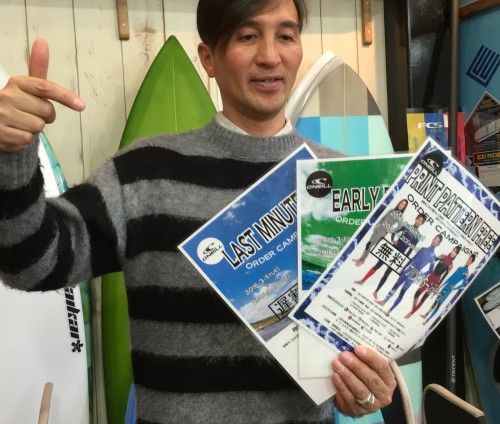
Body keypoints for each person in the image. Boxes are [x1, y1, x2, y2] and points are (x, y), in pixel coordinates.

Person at [0, 0, 396, 422]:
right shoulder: (145, 175)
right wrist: (12, 154)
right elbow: (32, 264)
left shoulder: (342, 184)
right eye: (248, 36)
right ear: (208, 58)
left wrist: (364, 390)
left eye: (286, 35)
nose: (270, 56)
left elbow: (362, 346)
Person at [375, 234, 443, 316]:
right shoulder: (423, 249)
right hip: (407, 270)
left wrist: (420, 274)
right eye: (435, 239)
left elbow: (430, 270)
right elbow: (413, 259)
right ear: (433, 239)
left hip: (413, 275)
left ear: (438, 244)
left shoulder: (433, 257)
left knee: (402, 292)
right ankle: (384, 301)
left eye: (437, 241)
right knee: (395, 285)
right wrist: (404, 268)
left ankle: (390, 310)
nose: (435, 241)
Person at [404, 245, 461, 319]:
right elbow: (433, 260)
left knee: (424, 298)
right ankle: (412, 310)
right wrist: (436, 258)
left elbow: (444, 276)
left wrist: (438, 285)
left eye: (456, 252)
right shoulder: (444, 256)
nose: (454, 252)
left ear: (456, 255)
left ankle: (411, 313)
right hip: (430, 277)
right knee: (417, 293)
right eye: (454, 250)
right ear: (452, 250)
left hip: (435, 282)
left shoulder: (451, 265)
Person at [422, 254, 475, 326]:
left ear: (472, 262)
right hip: (445, 287)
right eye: (469, 259)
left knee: (439, 304)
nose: (468, 261)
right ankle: (426, 315)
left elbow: (463, 284)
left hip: (449, 289)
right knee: (436, 301)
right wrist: (442, 285)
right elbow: (451, 277)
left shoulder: (466, 272)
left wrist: (455, 288)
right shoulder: (460, 268)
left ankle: (427, 321)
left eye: (470, 260)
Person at [352, 198, 408, 267]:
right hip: (378, 228)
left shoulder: (400, 216)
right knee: (369, 243)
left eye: (403, 205)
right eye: (401, 203)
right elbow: (383, 218)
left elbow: (399, 227)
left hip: (383, 232)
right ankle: (361, 259)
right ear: (399, 203)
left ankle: (362, 260)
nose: (401, 205)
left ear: (404, 207)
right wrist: (377, 225)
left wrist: (390, 230)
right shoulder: (392, 210)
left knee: (369, 244)